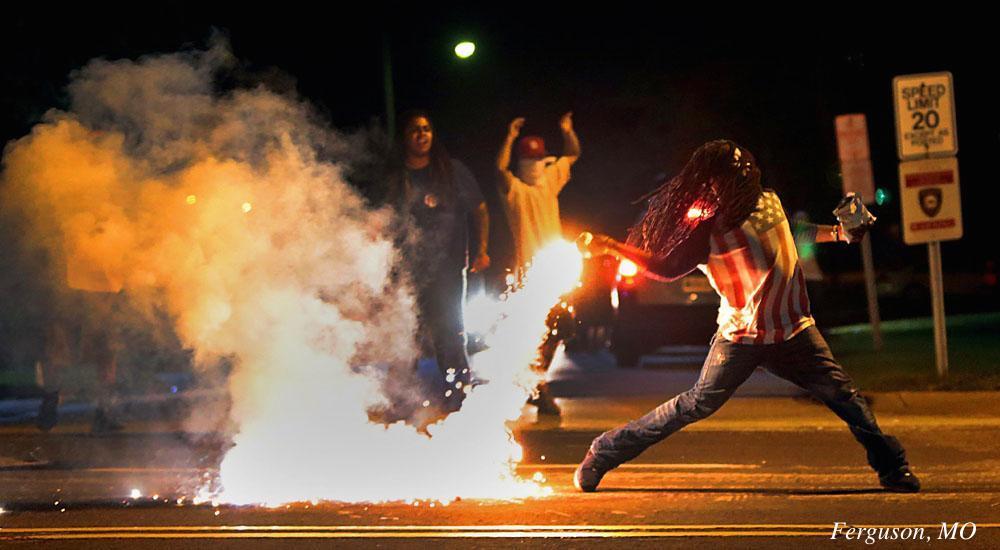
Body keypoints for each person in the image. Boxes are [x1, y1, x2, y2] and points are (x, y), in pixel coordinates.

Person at [573, 140, 919, 493]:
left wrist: (839, 233)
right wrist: (612, 247)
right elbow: (666, 268)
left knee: (845, 398)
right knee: (695, 405)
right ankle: (604, 451)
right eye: (732, 178)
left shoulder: (769, 200)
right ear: (714, 184)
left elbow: (791, 230)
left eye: (745, 174)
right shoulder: (707, 227)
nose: (744, 181)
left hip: (794, 330)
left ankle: (893, 468)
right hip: (741, 337)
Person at [386, 110, 490, 412]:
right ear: (406, 138)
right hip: (407, 270)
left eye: (427, 129)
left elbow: (480, 209)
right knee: (404, 335)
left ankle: (459, 396)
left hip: (446, 270)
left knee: (448, 334)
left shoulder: (451, 171)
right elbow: (384, 218)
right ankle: (400, 398)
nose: (422, 135)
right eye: (415, 130)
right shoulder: (396, 176)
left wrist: (482, 249)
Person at [496, 112, 580, 416]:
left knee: (561, 330)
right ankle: (537, 387)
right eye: (531, 161)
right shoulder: (516, 192)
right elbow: (499, 169)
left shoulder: (548, 184)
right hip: (529, 276)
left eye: (539, 160)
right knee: (536, 333)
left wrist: (567, 130)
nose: (536, 166)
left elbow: (572, 154)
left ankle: (534, 382)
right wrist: (509, 138)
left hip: (554, 273)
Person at [36, 216, 126, 433]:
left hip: (84, 289)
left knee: (65, 352)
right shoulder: (94, 212)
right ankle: (99, 412)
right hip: (92, 291)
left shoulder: (77, 212)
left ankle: (53, 403)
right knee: (100, 353)